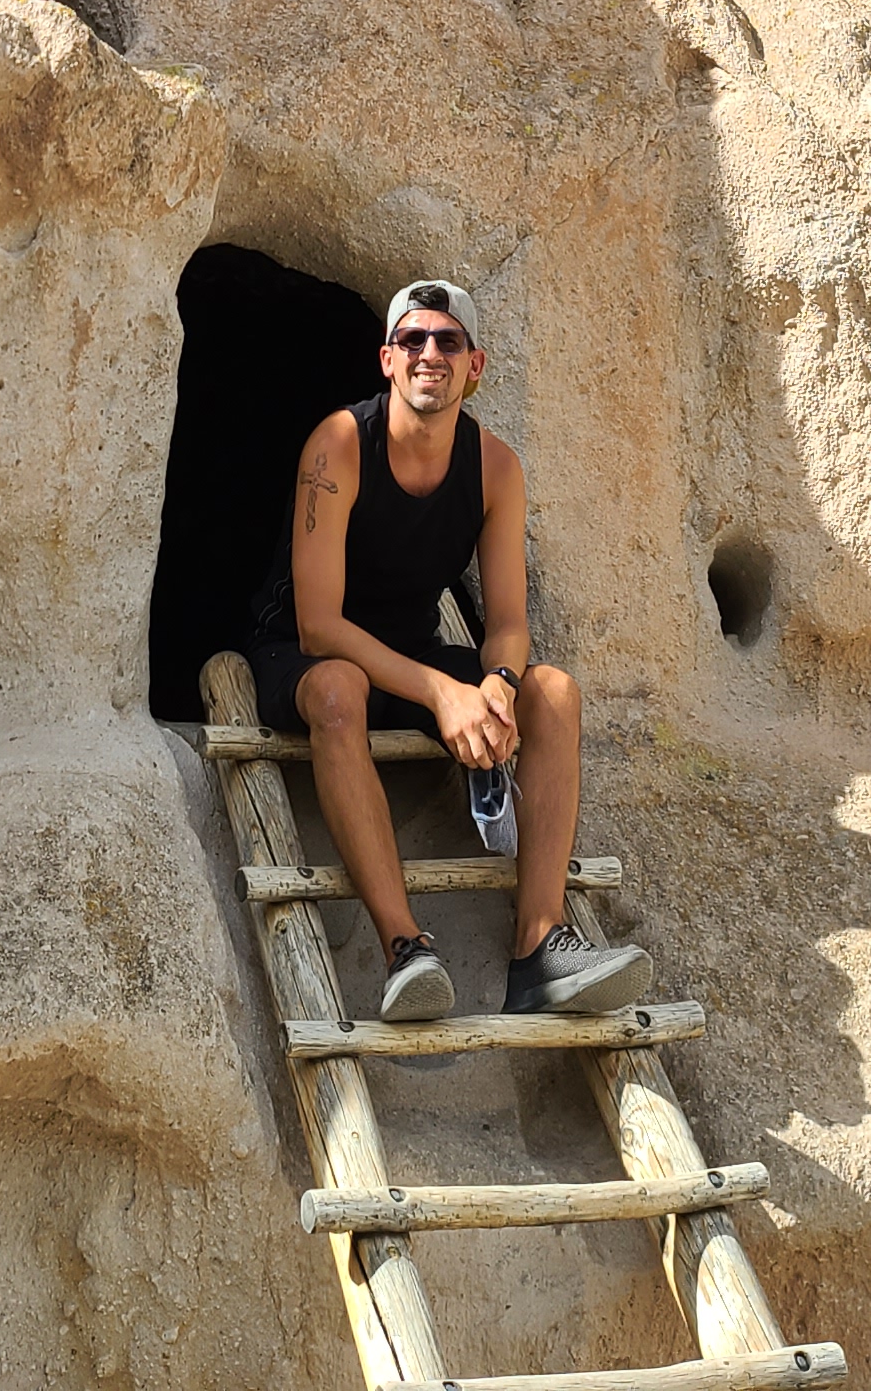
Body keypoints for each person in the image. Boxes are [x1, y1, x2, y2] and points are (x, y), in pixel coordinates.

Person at [244, 280, 654, 1026]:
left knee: (554, 693)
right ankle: (406, 949)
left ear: (475, 366)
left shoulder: (495, 468)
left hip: (410, 653)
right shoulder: (339, 444)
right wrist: (443, 693)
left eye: (448, 341)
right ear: (387, 360)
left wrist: (497, 683)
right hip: (303, 654)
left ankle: (539, 948)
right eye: (412, 339)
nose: (429, 353)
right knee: (338, 687)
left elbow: (507, 621)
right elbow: (318, 626)